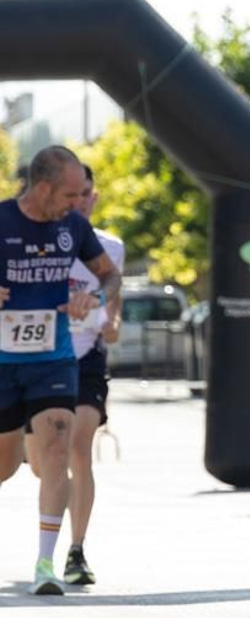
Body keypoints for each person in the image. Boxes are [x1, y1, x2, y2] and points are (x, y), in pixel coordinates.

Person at [0, 147, 120, 594]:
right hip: (2, 362)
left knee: (56, 451)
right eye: (70, 194)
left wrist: (95, 297)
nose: (78, 202)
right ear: (43, 187)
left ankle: (46, 565)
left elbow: (110, 276)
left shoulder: (73, 226)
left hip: (54, 359)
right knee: (6, 465)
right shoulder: (2, 221)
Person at [61, 165, 125, 585]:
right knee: (46, 461)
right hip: (39, 358)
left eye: (86, 194)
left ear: (94, 197)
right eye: (73, 194)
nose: (80, 201)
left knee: (79, 445)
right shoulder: (41, 241)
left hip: (87, 359)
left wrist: (111, 320)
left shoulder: (110, 247)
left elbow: (115, 291)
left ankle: (76, 550)